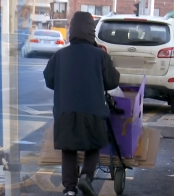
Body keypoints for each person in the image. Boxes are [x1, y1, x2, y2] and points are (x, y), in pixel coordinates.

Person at [43, 11, 120, 196]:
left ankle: (69, 189)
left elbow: (49, 79)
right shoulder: (99, 55)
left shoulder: (60, 55)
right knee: (93, 145)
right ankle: (86, 176)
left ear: (71, 30)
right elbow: (112, 81)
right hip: (93, 111)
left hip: (65, 112)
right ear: (91, 31)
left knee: (68, 150)